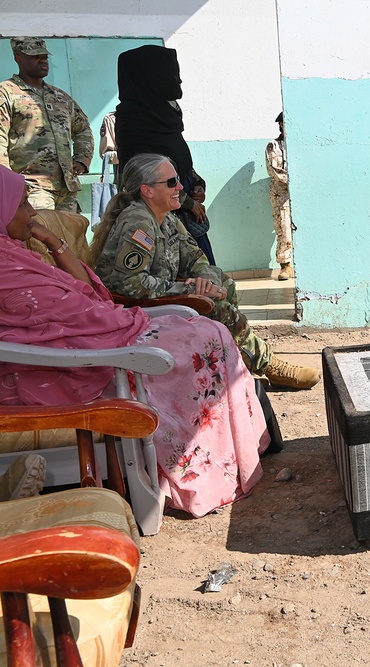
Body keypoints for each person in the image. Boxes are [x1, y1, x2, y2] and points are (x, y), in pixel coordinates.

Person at [0, 164, 269, 517]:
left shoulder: (16, 253)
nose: (32, 212)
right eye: (22, 204)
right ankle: (198, 465)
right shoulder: (136, 224)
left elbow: (88, 295)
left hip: (105, 333)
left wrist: (53, 242)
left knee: (211, 329)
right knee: (200, 340)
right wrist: (183, 291)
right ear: (147, 190)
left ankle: (241, 449)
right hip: (86, 355)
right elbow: (117, 293)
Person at [90, 153, 320, 390]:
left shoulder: (166, 218)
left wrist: (207, 283)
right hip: (131, 309)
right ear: (147, 190)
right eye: (171, 182)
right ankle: (267, 364)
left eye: (177, 180)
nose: (180, 187)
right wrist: (189, 289)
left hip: (154, 298)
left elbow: (197, 259)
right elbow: (130, 284)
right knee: (216, 306)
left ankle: (235, 363)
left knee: (223, 283)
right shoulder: (138, 221)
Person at [115, 45, 215, 263]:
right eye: (171, 74)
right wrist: (188, 202)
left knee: (206, 272)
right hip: (161, 214)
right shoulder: (134, 120)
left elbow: (180, 156)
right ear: (149, 77)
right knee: (185, 275)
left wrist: (198, 184)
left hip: (184, 203)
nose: (178, 81)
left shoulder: (165, 112)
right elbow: (147, 179)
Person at [0, 38, 94, 212]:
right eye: (35, 57)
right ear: (18, 57)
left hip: (67, 189)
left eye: (44, 56)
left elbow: (83, 129)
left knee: (70, 238)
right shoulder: (6, 93)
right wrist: (8, 184)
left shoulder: (60, 97)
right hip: (32, 187)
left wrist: (82, 159)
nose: (43, 60)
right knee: (42, 237)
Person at [266, 112, 294, 280]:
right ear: (281, 125)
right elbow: (275, 171)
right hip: (281, 193)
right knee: (283, 228)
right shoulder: (273, 146)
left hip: (300, 193)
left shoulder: (301, 144)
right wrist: (295, 182)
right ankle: (285, 266)